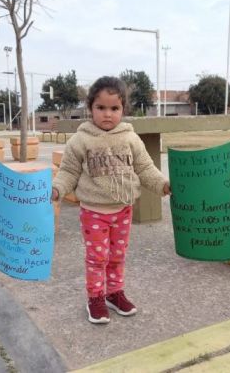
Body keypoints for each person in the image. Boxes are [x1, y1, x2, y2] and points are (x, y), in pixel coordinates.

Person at [52, 76, 170, 324]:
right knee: (97, 258)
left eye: (114, 108)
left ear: (123, 109)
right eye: (101, 108)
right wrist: (57, 190)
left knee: (117, 256)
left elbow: (146, 167)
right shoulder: (80, 140)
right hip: (93, 212)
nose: (107, 114)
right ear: (90, 108)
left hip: (123, 211)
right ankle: (95, 297)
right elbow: (68, 172)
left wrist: (163, 184)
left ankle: (114, 293)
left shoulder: (130, 138)